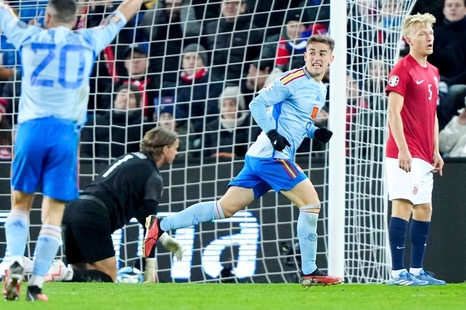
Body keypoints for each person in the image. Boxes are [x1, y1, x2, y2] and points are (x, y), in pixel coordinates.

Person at [0, 0, 158, 302]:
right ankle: (37, 284)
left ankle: (13, 264)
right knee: (53, 212)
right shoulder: (89, 39)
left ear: (48, 17)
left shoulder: (29, 34)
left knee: (20, 204)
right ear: (77, 20)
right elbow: (122, 15)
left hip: (31, 129)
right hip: (66, 134)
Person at [142, 35, 343, 287]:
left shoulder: (320, 87)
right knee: (310, 203)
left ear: (331, 59)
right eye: (312, 51)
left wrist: (314, 131)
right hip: (272, 155)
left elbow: (297, 119)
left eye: (322, 53)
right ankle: (310, 272)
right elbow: (257, 103)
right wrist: (272, 133)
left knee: (224, 208)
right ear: (305, 55)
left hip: (261, 156)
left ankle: (161, 224)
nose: (316, 57)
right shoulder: (291, 79)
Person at [45, 127, 184, 283]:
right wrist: (150, 265)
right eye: (175, 148)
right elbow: (150, 225)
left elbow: (142, 214)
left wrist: (163, 237)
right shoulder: (153, 176)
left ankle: (62, 273)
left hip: (73, 208)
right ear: (165, 149)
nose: (177, 152)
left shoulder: (130, 158)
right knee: (109, 277)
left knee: (83, 273)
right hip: (92, 214)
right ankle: (63, 272)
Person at [383, 13, 445, 286]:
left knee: (424, 208)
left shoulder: (432, 71)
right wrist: (403, 150)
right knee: (403, 204)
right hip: (403, 152)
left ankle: (417, 271)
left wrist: (436, 149)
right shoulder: (402, 69)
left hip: (424, 152)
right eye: (422, 34)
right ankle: (398, 273)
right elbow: (393, 113)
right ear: (408, 39)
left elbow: (432, 114)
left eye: (430, 33)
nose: (429, 37)